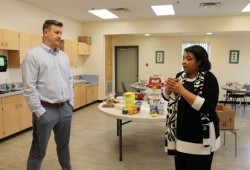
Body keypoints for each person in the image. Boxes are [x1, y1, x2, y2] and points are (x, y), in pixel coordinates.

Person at [21, 19, 74, 170]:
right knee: (38, 152)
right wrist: (39, 113)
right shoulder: (33, 56)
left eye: (61, 33)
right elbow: (29, 87)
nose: (60, 36)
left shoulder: (64, 56)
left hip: (64, 109)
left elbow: (69, 80)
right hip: (46, 111)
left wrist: (71, 104)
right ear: (46, 32)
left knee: (64, 146)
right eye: (56, 32)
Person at [162, 45, 220, 170]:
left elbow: (208, 106)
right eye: (183, 58)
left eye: (189, 59)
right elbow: (166, 97)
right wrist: (168, 88)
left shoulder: (209, 78)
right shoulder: (180, 76)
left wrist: (181, 90)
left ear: (199, 61)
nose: (184, 61)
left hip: (200, 138)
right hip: (180, 136)